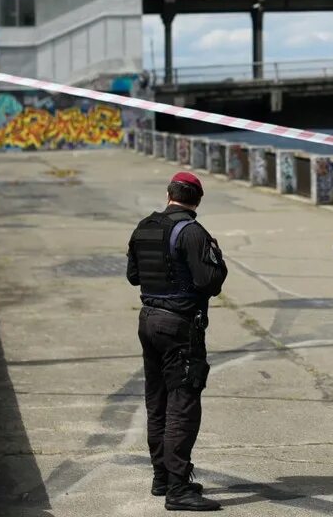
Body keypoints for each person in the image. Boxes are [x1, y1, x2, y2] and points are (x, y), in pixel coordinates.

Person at [126, 171, 228, 510]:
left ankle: (162, 477)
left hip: (148, 321)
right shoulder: (193, 233)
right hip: (180, 328)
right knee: (182, 405)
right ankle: (178, 489)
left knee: (157, 402)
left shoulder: (144, 227)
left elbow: (133, 276)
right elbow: (209, 281)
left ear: (169, 193)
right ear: (197, 200)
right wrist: (218, 260)